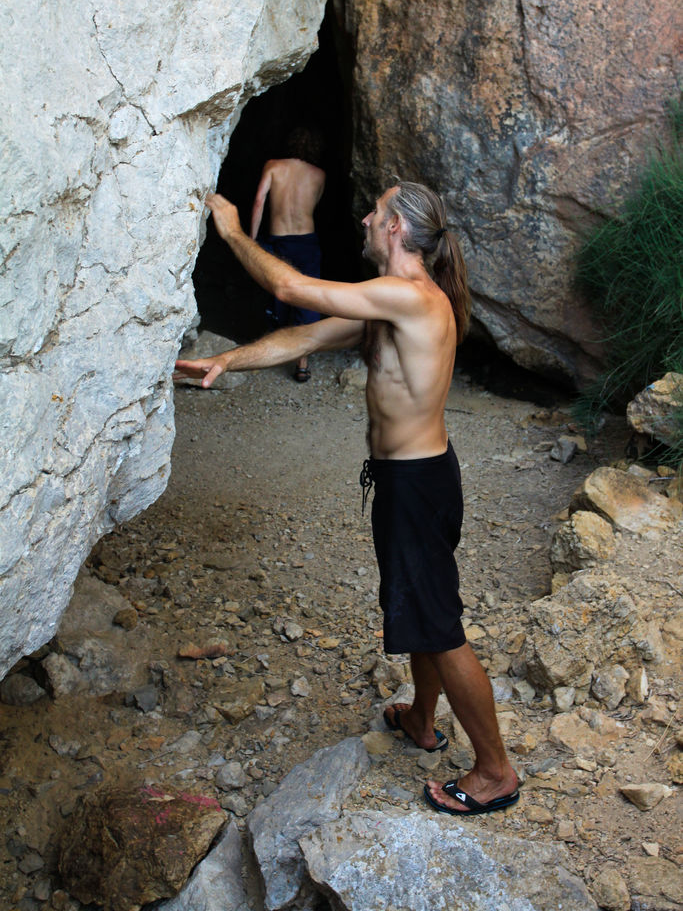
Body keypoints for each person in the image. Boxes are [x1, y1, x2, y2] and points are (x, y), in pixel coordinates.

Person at [174, 182, 519, 816]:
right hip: (410, 482)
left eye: (376, 212)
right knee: (420, 612)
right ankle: (420, 719)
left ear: (395, 231)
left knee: (441, 629)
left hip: (416, 486)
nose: (364, 217)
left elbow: (291, 291)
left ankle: (496, 770)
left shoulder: (407, 295)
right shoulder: (388, 305)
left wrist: (231, 232)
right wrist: (227, 360)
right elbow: (304, 337)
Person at [250, 127, 326, 382]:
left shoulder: (272, 166)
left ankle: (273, 350)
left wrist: (251, 240)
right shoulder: (319, 175)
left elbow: (259, 201)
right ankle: (302, 364)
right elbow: (313, 205)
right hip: (306, 240)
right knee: (306, 297)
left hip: (279, 238)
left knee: (277, 293)